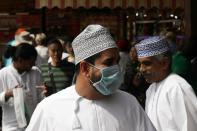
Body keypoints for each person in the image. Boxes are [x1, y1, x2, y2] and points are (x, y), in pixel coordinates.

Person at [26, 25, 156, 131]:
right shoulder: (50, 109)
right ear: (85, 68)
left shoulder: (129, 103)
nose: (116, 68)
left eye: (117, 61)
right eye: (108, 62)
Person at [135, 36, 197, 131]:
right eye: (140, 64)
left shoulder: (177, 87)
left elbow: (190, 127)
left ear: (164, 63)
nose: (141, 69)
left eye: (147, 63)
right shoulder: (151, 89)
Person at [0, 43, 43, 131]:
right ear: (20, 60)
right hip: (11, 126)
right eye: (31, 62)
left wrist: (47, 93)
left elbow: (41, 98)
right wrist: (8, 94)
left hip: (33, 124)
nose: (33, 64)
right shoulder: (3, 74)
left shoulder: (36, 72)